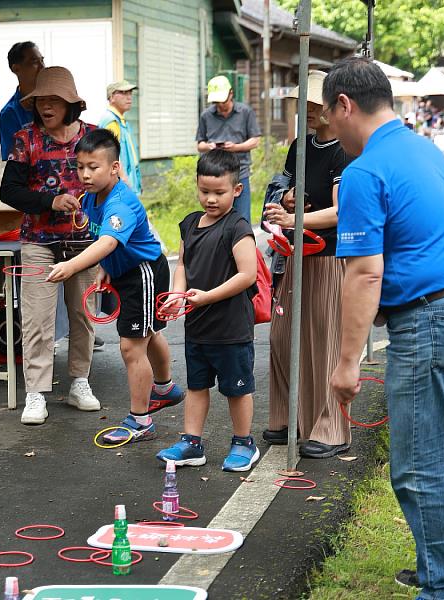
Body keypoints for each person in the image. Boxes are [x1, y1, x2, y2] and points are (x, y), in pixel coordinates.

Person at [324, 57, 444, 599]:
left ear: (345, 106)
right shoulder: (423, 148)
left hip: (434, 323)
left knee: (422, 469)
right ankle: (442, 572)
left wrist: (348, 364)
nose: (329, 131)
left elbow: (364, 272)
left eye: (328, 118)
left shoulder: (362, 172)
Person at [45, 128, 185, 443]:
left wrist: (70, 267)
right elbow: (108, 244)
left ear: (114, 167)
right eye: (80, 167)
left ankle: (141, 420)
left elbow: (108, 242)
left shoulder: (121, 203)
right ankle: (164, 388)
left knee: (132, 345)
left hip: (143, 273)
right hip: (127, 272)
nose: (84, 174)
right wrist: (108, 270)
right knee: (149, 334)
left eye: (93, 167)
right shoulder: (93, 197)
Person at [0, 66, 101, 425]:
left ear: (70, 103)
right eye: (41, 100)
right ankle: (35, 393)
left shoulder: (94, 137)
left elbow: (111, 183)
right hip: (38, 242)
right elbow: (8, 191)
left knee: (83, 317)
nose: (46, 106)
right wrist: (50, 201)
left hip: (85, 243)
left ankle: (80, 382)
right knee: (37, 321)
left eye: (54, 100)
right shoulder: (25, 139)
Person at [262, 70, 353, 459]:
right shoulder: (300, 144)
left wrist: (294, 218)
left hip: (329, 255)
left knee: (324, 342)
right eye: (308, 105)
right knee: (283, 338)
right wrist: (285, 202)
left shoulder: (344, 150)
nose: (313, 111)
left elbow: (341, 210)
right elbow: (283, 187)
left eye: (319, 105)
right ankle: (289, 417)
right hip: (296, 252)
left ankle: (331, 427)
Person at [155, 150, 260, 472]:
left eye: (219, 192)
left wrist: (206, 297)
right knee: (197, 386)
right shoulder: (189, 224)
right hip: (197, 326)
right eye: (205, 192)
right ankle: (191, 443)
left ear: (237, 190)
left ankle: (244, 443)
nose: (210, 199)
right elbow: (183, 264)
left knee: (236, 389)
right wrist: (177, 294)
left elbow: (248, 275)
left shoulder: (238, 226)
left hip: (231, 328)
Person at [196, 76, 261, 223]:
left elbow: (255, 141)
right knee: (215, 218)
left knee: (242, 217)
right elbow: (200, 144)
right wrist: (209, 146)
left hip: (239, 172)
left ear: (231, 94)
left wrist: (236, 147)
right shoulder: (206, 115)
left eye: (223, 101)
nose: (220, 105)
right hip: (214, 173)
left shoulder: (245, 112)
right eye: (216, 102)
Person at [0, 41, 44, 161]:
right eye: (34, 61)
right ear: (16, 68)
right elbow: (14, 159)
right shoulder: (10, 113)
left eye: (42, 60)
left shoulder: (56, 100)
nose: (42, 66)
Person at [99, 80, 141, 195]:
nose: (129, 97)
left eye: (130, 93)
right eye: (123, 93)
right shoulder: (111, 121)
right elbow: (110, 154)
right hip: (121, 183)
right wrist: (123, 177)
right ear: (112, 97)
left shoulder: (121, 120)